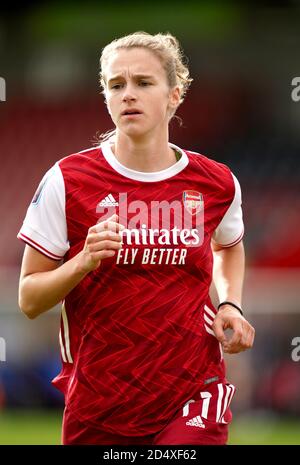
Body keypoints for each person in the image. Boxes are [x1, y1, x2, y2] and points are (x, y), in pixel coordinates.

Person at [17, 31, 255, 445]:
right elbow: (29, 299)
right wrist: (83, 261)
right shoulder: (67, 180)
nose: (129, 94)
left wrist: (230, 302)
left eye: (144, 83)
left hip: (194, 390)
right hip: (100, 400)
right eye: (116, 85)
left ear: (174, 95)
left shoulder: (216, 182)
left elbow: (228, 247)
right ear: (105, 97)